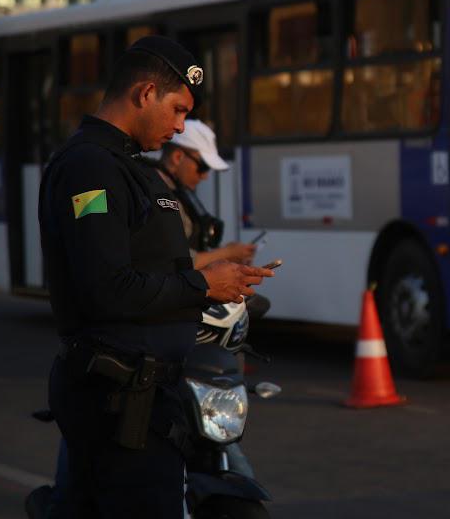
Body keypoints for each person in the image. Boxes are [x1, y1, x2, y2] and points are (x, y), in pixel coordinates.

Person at [38, 35, 274, 518]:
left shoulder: (129, 168)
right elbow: (107, 289)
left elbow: (155, 269)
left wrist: (223, 280)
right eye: (178, 110)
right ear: (146, 93)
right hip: (118, 403)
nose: (180, 126)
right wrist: (206, 284)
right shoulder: (91, 169)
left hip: (147, 400)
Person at [154, 119, 256, 268]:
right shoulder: (157, 194)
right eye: (203, 167)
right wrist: (225, 253)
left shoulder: (180, 191)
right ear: (177, 157)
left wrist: (227, 256)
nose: (205, 176)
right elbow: (171, 261)